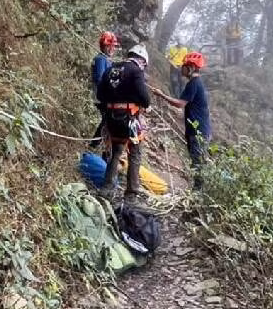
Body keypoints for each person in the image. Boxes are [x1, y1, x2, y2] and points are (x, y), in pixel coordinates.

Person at [96, 44, 152, 204]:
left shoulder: (111, 68)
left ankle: (106, 188)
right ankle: (131, 195)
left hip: (111, 120)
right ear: (142, 60)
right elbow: (145, 99)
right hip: (129, 120)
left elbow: (100, 95)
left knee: (115, 151)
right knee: (135, 152)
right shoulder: (136, 71)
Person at [151, 51, 211, 190]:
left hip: (198, 131)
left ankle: (198, 193)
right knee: (197, 161)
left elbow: (180, 104)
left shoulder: (194, 84)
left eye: (184, 66)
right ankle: (198, 191)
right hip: (198, 129)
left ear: (191, 67)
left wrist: (162, 95)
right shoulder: (195, 83)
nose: (181, 68)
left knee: (197, 163)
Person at [90, 31, 119, 149]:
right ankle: (94, 144)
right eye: (112, 46)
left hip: (102, 95)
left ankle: (97, 144)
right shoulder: (101, 59)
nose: (113, 49)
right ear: (106, 46)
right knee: (107, 119)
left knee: (107, 120)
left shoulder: (106, 59)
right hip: (101, 96)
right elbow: (100, 78)